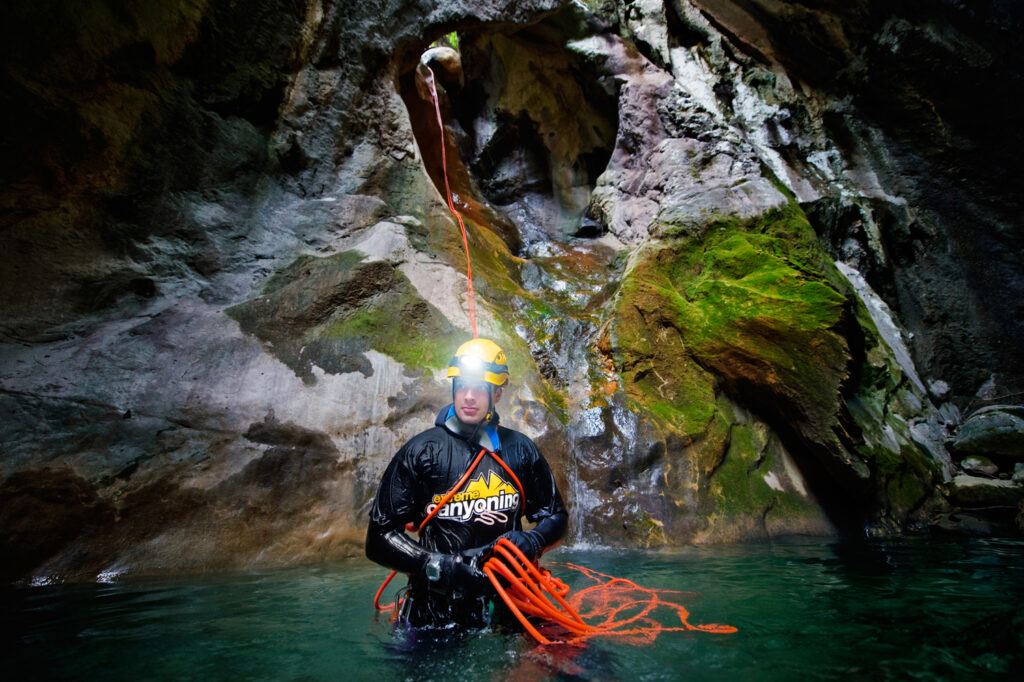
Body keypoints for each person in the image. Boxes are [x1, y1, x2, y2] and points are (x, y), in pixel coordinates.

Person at [366, 338, 568, 628]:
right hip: (435, 610)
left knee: (578, 663)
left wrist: (532, 540)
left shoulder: (520, 450)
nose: (468, 396)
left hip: (508, 600)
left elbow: (556, 515)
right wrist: (438, 566)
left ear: (497, 393)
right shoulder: (421, 451)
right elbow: (378, 538)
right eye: (461, 386)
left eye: (478, 388)